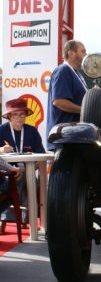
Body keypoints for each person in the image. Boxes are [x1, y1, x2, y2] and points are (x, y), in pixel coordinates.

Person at [0, 98, 45, 234]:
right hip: (6, 171)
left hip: (27, 170)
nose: (19, 117)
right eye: (15, 114)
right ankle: (26, 219)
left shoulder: (32, 131)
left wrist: (28, 169)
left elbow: (41, 157)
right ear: (9, 116)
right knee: (19, 181)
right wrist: (1, 150)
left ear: (26, 115)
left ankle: (5, 218)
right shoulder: (1, 130)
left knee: (24, 179)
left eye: (22, 114)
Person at [46, 40, 88, 150]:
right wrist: (85, 110)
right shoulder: (63, 70)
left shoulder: (78, 74)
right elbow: (59, 101)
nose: (86, 55)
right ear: (71, 53)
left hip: (74, 137)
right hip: (63, 137)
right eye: (83, 51)